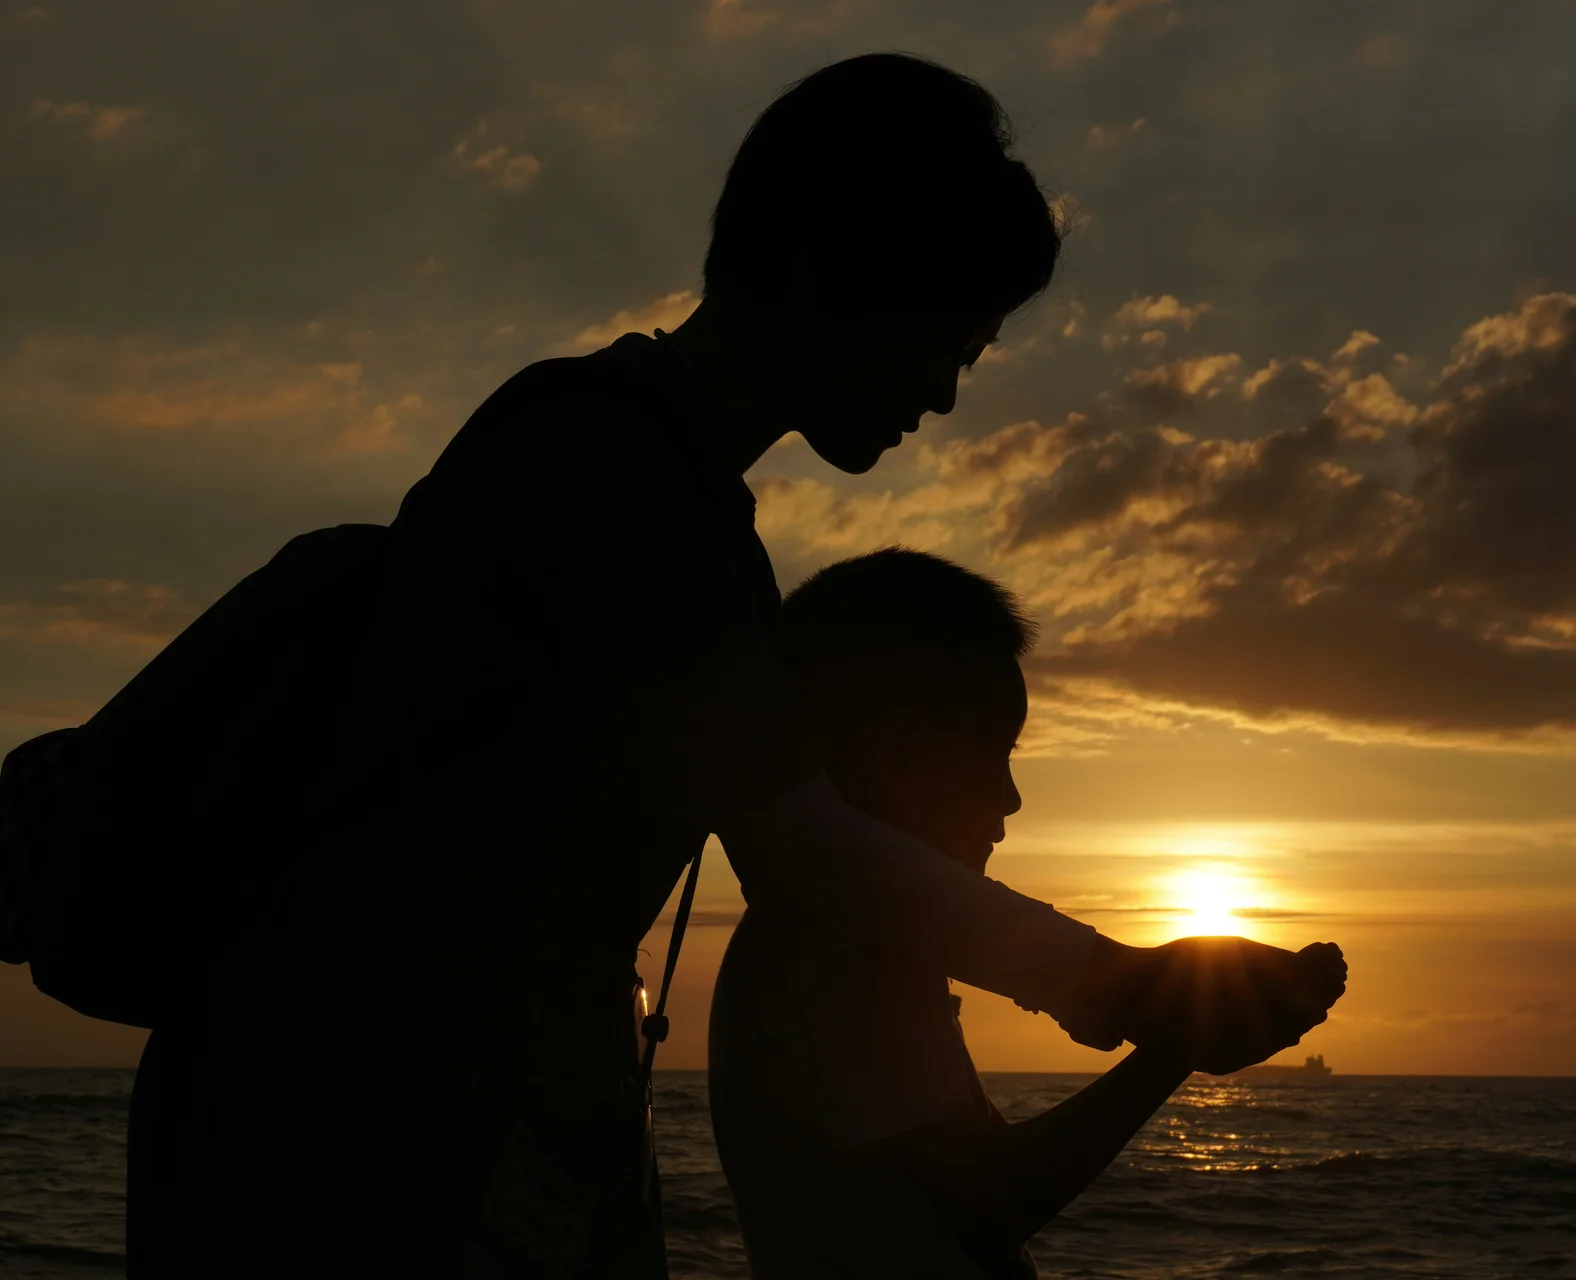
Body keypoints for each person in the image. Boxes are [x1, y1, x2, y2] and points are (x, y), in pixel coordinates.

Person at [123, 53, 1343, 1276]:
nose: (947, 393)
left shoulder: (652, 489)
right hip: (345, 1154)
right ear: (824, 269)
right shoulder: (611, 483)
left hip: (382, 1128)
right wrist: (1125, 990)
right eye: (945, 335)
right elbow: (804, 852)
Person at [710, 549, 1347, 1278]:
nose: (1011, 799)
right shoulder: (845, 950)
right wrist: (1182, 1038)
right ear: (899, 758)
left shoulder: (844, 940)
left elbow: (958, 1162)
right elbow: (988, 1203)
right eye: (997, 756)